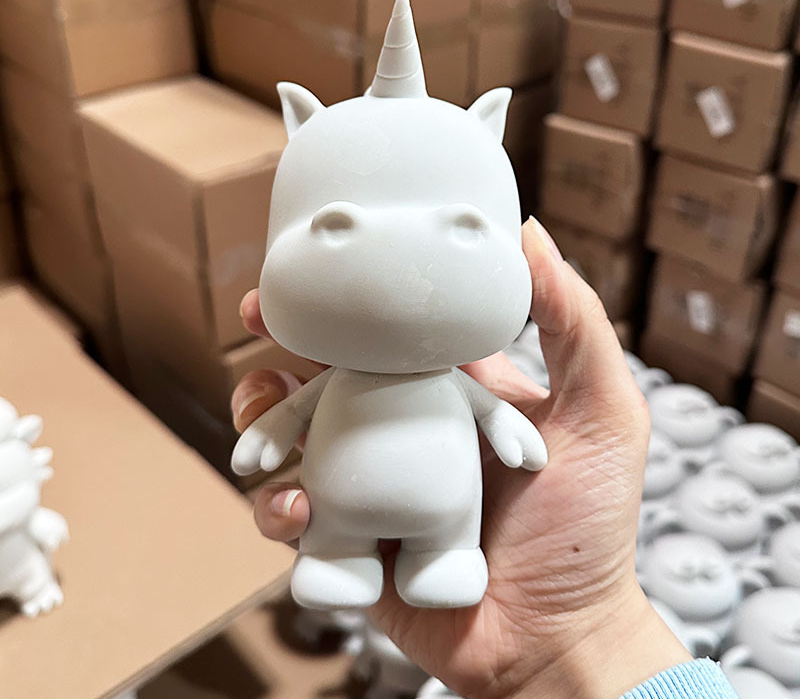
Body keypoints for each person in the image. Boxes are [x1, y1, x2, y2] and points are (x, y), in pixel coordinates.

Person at [231, 218, 740, 699]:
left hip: (446, 519)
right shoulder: (339, 381)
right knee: (327, 534)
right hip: (341, 512)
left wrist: (581, 628)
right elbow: (293, 410)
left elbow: (492, 411)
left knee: (441, 548)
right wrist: (269, 433)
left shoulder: (450, 379)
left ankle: (443, 559)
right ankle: (337, 557)